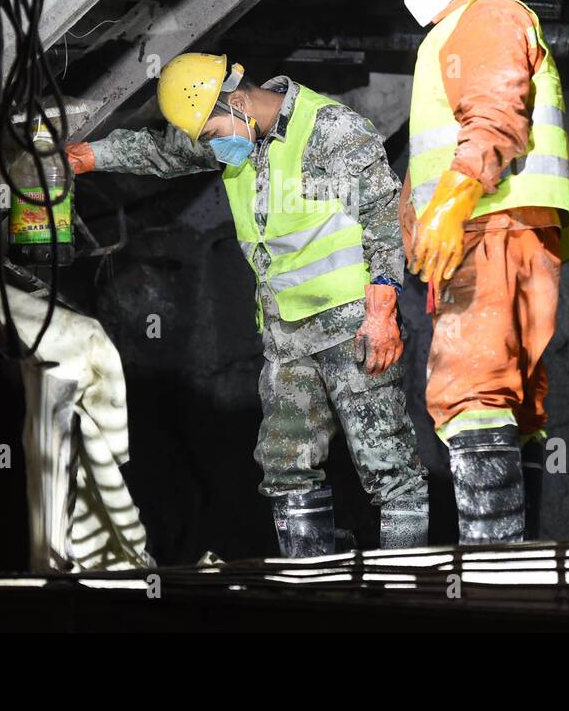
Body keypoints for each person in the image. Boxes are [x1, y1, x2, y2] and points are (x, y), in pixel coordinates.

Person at [66, 53, 428, 556]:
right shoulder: (235, 138)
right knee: (285, 464)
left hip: (353, 323)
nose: (213, 146)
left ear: (237, 100)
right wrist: (85, 156)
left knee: (386, 459)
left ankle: (406, 585)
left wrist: (383, 313)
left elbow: (385, 220)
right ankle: (310, 580)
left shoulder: (330, 129)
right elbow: (160, 152)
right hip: (288, 333)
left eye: (213, 132)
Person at [394, 0, 569, 544]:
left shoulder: (485, 18)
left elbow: (498, 116)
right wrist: (417, 222)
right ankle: (513, 568)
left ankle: (494, 574)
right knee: (510, 398)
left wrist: (450, 205)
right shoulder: (460, 31)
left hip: (492, 224)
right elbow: (432, 156)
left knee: (471, 387)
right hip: (496, 227)